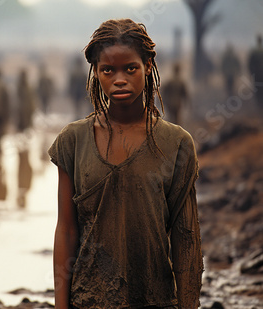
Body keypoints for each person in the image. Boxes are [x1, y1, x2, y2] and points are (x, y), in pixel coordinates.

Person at [49, 19, 203, 309]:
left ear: (147, 66)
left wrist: (188, 304)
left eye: (130, 68)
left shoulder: (176, 144)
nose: (119, 79)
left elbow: (186, 238)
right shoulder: (73, 141)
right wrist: (61, 305)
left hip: (155, 300)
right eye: (108, 70)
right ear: (96, 73)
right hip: (89, 301)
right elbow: (67, 230)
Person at [248, 34, 263, 109]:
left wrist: (251, 73)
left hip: (257, 74)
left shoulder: (254, 51)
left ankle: (259, 104)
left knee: (258, 89)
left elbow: (250, 64)